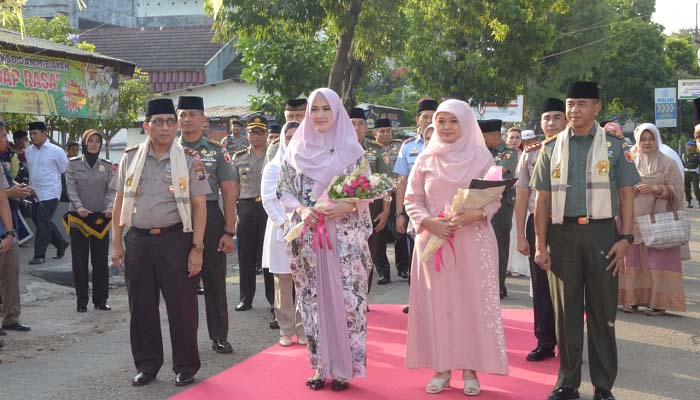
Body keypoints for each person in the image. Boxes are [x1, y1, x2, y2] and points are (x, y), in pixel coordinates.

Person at [531, 82, 640, 400]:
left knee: (602, 312)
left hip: (602, 234)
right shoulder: (551, 149)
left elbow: (627, 195)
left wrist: (626, 238)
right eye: (570, 104)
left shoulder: (615, 147)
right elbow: (542, 201)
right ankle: (567, 383)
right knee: (566, 314)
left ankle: (603, 386)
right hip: (562, 235)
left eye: (581, 104)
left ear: (597, 107)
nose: (574, 110)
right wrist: (540, 244)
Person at [405, 99, 508, 396]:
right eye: (441, 121)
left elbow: (493, 197)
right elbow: (412, 199)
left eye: (453, 121)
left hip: (472, 242)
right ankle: (441, 368)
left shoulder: (481, 156)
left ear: (464, 123)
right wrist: (428, 222)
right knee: (439, 307)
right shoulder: (426, 158)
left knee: (469, 306)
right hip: (432, 243)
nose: (447, 127)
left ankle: (470, 369)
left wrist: (475, 214)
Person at [277, 88, 373, 391]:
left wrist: (348, 205)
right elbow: (284, 191)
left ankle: (345, 369)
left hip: (343, 239)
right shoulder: (295, 150)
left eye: (325, 109)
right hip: (309, 239)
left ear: (337, 112)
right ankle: (320, 366)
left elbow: (365, 191)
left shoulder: (352, 151)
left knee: (346, 302)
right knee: (313, 302)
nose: (319, 115)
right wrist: (304, 210)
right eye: (314, 109)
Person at [110, 98, 210, 387]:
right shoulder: (130, 157)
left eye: (170, 121)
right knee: (141, 306)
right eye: (158, 122)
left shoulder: (190, 159)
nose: (165, 127)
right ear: (146, 126)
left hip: (176, 240)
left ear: (176, 125)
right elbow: (119, 203)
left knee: (182, 307)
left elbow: (200, 206)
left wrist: (198, 248)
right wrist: (117, 243)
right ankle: (147, 365)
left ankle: (186, 366)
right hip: (139, 240)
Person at [177, 96, 236, 354]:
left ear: (203, 119)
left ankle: (219, 335)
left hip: (211, 217)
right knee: (181, 284)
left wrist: (229, 231)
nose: (187, 120)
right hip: (177, 218)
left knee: (214, 280)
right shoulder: (168, 148)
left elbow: (229, 192)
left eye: (193, 114)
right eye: (183, 115)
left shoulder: (216, 151)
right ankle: (187, 340)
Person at [514, 98, 566, 363]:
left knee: (570, 286)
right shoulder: (530, 153)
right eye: (547, 118)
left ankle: (571, 344)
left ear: (566, 120)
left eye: (557, 117)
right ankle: (544, 342)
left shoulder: (576, 148)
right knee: (542, 287)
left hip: (568, 222)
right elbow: (522, 195)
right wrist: (522, 235)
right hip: (538, 221)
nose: (551, 123)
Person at [619, 123, 686, 316]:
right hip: (631, 219)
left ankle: (658, 303)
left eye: (651, 138)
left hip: (658, 219)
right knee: (631, 260)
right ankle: (631, 300)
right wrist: (629, 189)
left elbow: (679, 191)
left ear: (657, 140)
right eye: (643, 139)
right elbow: (618, 186)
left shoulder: (667, 163)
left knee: (657, 263)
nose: (647, 142)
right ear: (638, 141)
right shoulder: (628, 161)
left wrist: (655, 189)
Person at [261, 121, 305, 347]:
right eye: (289, 137)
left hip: (308, 227)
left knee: (305, 283)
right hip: (281, 229)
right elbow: (269, 200)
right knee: (283, 283)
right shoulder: (273, 167)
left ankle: (304, 328)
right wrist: (286, 225)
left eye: (298, 136)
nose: (293, 141)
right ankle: (286, 329)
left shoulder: (311, 163)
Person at [394, 98, 438, 313]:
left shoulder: (449, 144)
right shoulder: (408, 146)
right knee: (417, 258)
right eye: (425, 116)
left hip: (442, 212)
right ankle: (417, 299)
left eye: (433, 116)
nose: (429, 120)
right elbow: (401, 181)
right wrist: (399, 213)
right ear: (418, 120)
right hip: (416, 212)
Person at [64, 130, 116, 313]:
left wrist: (111, 207)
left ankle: (101, 300)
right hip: (79, 217)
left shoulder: (107, 166)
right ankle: (81, 301)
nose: (94, 144)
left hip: (101, 218)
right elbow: (71, 188)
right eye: (90, 141)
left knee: (100, 260)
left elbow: (112, 189)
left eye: (97, 141)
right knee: (80, 260)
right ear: (84, 143)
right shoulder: (73, 164)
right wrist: (78, 206)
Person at [231, 115, 274, 312]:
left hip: (268, 208)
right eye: (252, 132)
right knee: (246, 255)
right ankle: (245, 298)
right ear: (247, 134)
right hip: (247, 207)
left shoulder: (273, 155)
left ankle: (274, 299)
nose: (256, 136)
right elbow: (234, 188)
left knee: (269, 255)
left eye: (260, 132)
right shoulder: (239, 157)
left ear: (266, 134)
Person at [480, 119, 518, 299]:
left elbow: (497, 173)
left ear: (494, 135)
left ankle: (498, 285)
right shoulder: (480, 152)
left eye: (483, 135)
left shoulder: (508, 153)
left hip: (501, 204)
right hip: (479, 203)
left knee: (499, 244)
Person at [365, 118, 406, 284]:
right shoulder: (369, 149)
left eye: (388, 131)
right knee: (379, 233)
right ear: (375, 133)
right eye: (382, 131)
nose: (386, 134)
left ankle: (403, 268)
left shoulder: (399, 146)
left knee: (401, 231)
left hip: (399, 194)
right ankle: (383, 272)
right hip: (380, 197)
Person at [25, 121, 70, 265]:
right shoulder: (29, 151)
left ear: (44, 133)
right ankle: (61, 243)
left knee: (43, 221)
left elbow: (65, 169)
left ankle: (39, 255)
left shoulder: (56, 151)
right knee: (39, 221)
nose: (32, 136)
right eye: (30, 133)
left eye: (35, 133)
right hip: (34, 193)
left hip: (51, 193)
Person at [0, 128, 30, 335]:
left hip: (6, 226)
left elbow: (2, 197)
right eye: (2, 136)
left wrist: (10, 232)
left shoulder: (3, 162)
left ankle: (11, 317)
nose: (6, 140)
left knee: (11, 273)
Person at [681, 140, 700, 208]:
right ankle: (689, 202)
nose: (689, 147)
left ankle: (699, 200)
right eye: (688, 145)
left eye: (691, 146)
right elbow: (681, 165)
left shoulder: (697, 155)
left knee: (696, 188)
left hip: (694, 173)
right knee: (687, 188)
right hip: (686, 173)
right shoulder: (684, 155)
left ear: (694, 147)